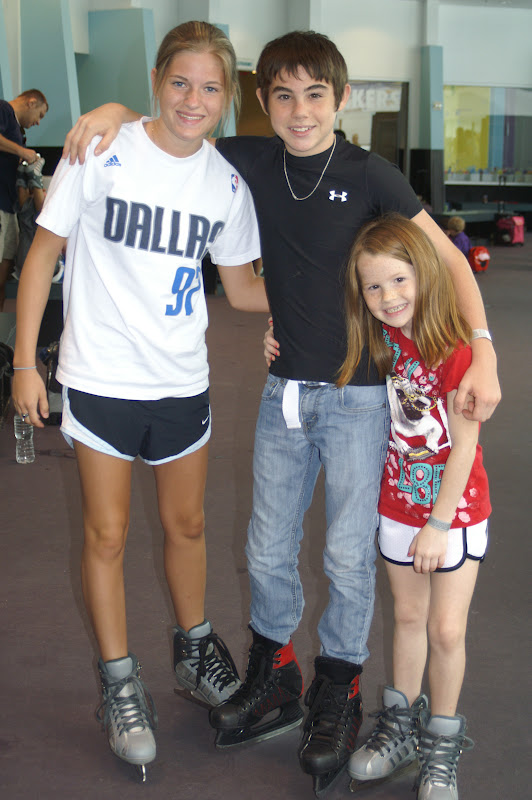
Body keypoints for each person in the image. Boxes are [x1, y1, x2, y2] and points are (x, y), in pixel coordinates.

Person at [60, 29, 500, 791]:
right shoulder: (252, 160)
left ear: (342, 97)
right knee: (266, 548)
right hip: (282, 394)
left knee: (344, 556)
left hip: (361, 397)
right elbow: (176, 123)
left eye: (316, 95)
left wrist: (485, 346)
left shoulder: (371, 174)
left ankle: (340, 689)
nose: (300, 112)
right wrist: (111, 109)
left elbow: (451, 259)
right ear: (263, 103)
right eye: (284, 97)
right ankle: (277, 675)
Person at [12, 21, 268, 781]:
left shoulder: (225, 183)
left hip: (182, 381)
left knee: (187, 524)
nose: (194, 99)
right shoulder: (101, 148)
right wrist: (25, 365)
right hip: (99, 379)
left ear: (228, 97)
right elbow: (42, 258)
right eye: (181, 82)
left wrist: (325, 298)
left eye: (211, 87)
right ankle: (120, 684)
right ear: (158, 78)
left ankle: (195, 651)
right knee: (107, 535)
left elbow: (245, 285)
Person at [339, 214, 489, 800]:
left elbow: (466, 444)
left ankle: (440, 747)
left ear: (424, 275)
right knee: (406, 618)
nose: (388, 297)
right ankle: (398, 727)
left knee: (446, 629)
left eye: (399, 281)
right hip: (398, 507)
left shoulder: (452, 348)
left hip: (452, 513)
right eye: (373, 287)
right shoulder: (386, 339)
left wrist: (437, 523)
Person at [0, 89, 48, 309]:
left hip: (8, 207)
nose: (38, 123)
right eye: (40, 115)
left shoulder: (16, 129)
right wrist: (22, 151)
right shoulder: (3, 110)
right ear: (31, 102)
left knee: (5, 266)